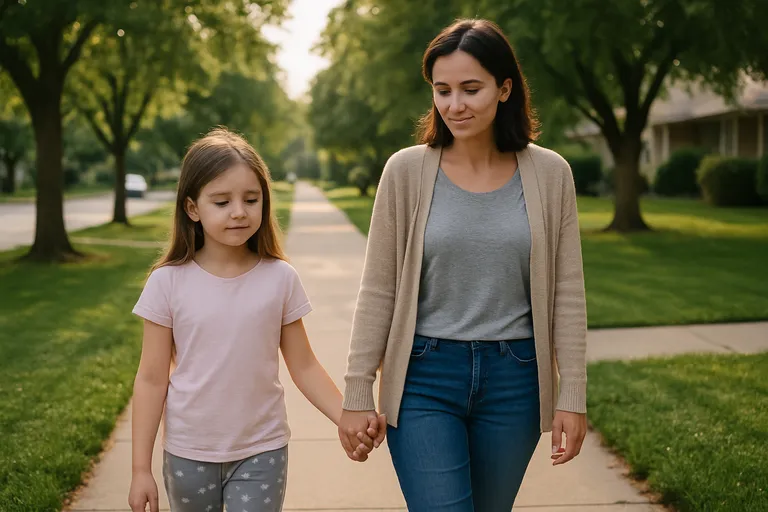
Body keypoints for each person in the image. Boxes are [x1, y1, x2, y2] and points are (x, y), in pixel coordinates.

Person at [338, 19, 588, 511]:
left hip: (515, 379)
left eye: (471, 89)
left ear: (505, 88)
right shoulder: (405, 171)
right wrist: (357, 389)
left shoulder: (551, 174)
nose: (455, 105)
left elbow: (567, 290)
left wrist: (572, 395)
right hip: (423, 377)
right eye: (442, 90)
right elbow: (379, 288)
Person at [127, 128, 385, 512]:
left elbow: (304, 366)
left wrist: (345, 416)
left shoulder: (279, 278)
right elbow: (151, 378)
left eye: (251, 199)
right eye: (221, 201)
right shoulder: (167, 283)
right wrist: (139, 469)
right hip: (187, 454)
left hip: (262, 451)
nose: (239, 211)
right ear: (192, 208)